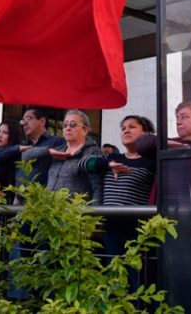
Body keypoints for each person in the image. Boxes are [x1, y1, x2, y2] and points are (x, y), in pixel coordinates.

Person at [80, 114, 158, 293]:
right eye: (123, 128)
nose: (126, 130)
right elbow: (83, 164)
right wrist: (108, 166)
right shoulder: (113, 158)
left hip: (137, 229)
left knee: (138, 278)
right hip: (112, 227)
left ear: (146, 133)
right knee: (114, 277)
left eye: (132, 127)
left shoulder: (152, 162)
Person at [25, 109, 104, 203]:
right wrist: (48, 151)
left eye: (73, 124)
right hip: (51, 213)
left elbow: (98, 188)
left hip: (77, 214)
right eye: (65, 125)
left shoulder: (92, 152)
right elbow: (25, 156)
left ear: (85, 130)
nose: (68, 128)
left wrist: (94, 214)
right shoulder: (58, 151)